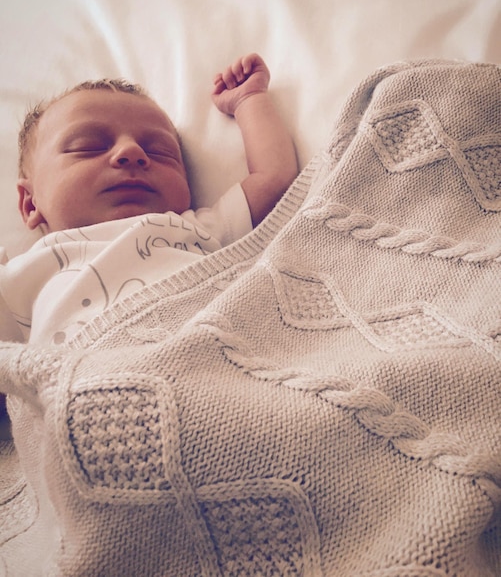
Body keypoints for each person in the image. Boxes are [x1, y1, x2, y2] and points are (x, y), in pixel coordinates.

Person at [0, 52, 298, 431]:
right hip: (90, 404)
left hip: (224, 379)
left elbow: (274, 176)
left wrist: (248, 101)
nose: (132, 153)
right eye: (89, 146)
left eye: (160, 152)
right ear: (30, 203)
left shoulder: (195, 229)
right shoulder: (22, 274)